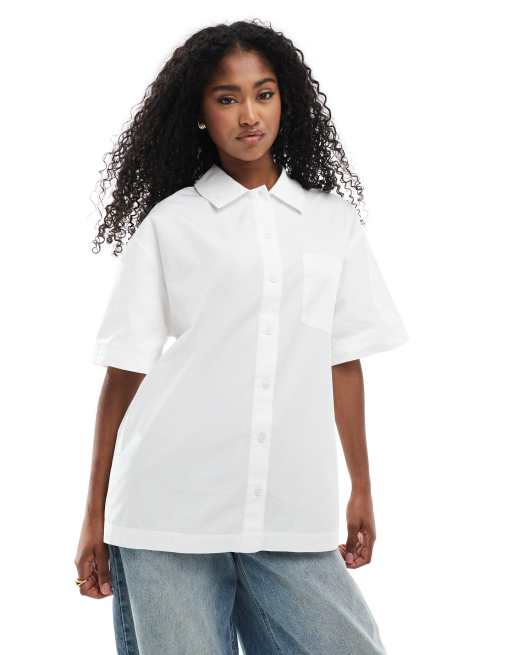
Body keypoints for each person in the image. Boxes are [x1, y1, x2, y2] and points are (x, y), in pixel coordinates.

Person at [75, 19, 409, 655]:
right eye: (227, 98)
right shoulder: (172, 225)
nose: (249, 115)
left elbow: (343, 361)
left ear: (287, 101)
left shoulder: (331, 223)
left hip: (291, 508)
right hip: (166, 511)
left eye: (264, 93)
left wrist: (362, 486)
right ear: (200, 113)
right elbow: (124, 375)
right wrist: (94, 516)